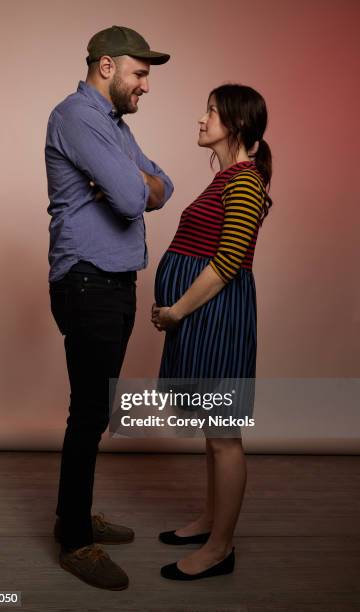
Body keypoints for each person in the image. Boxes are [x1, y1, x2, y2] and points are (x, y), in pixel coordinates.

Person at [45, 25, 173, 591]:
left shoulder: (114, 127)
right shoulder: (77, 116)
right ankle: (74, 539)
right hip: (88, 280)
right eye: (139, 73)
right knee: (88, 411)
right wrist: (127, 185)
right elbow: (129, 198)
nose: (145, 85)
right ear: (106, 67)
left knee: (97, 412)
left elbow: (162, 185)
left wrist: (133, 182)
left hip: (116, 280)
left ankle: (73, 514)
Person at [152, 84, 273, 581]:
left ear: (237, 124)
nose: (201, 120)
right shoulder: (227, 177)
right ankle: (210, 520)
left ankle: (220, 547)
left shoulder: (244, 181)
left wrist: (178, 309)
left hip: (216, 316)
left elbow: (227, 263)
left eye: (211, 113)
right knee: (212, 430)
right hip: (206, 316)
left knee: (224, 435)